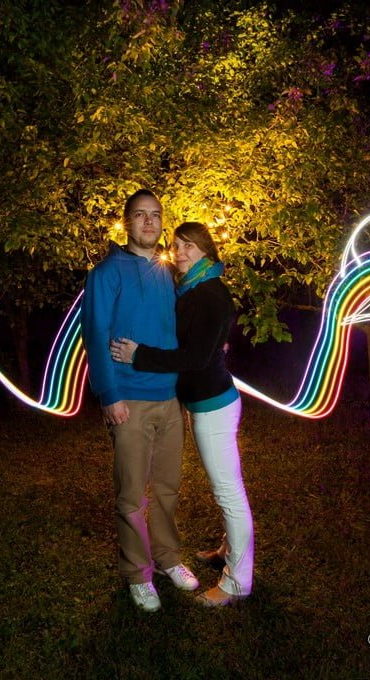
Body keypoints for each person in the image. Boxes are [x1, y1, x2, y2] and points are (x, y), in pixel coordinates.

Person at [111, 221, 252, 607]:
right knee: (226, 488)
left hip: (214, 408)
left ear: (206, 250)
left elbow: (195, 357)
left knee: (229, 493)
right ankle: (228, 549)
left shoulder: (209, 293)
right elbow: (205, 340)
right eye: (177, 245)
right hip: (205, 403)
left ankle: (238, 581)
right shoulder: (191, 288)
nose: (181, 252)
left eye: (190, 245)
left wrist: (139, 355)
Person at [80, 189, 200, 613]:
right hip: (128, 400)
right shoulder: (106, 273)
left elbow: (179, 330)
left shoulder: (168, 273)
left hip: (170, 399)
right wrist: (109, 395)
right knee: (132, 495)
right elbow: (95, 334)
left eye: (156, 215)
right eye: (140, 215)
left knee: (167, 487)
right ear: (127, 222)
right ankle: (137, 573)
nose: (149, 222)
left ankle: (167, 558)